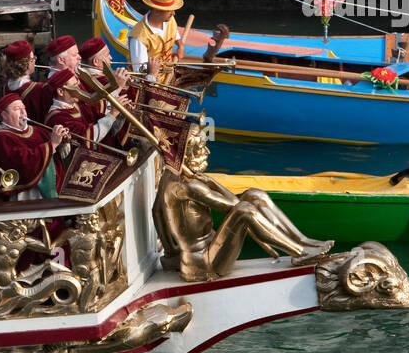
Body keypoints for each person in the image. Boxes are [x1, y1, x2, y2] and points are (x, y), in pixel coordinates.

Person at [153, 130, 333, 282]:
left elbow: (157, 213)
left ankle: (302, 240)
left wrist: (171, 254)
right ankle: (299, 252)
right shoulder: (189, 187)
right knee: (244, 211)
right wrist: (212, 183)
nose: (206, 151)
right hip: (204, 264)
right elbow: (234, 205)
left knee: (255, 195)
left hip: (203, 253)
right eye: (200, 148)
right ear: (185, 153)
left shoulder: (168, 176)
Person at [46, 68, 120, 182]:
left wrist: (120, 114)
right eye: (74, 86)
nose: (79, 89)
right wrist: (113, 114)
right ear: (60, 92)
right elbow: (88, 138)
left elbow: (97, 119)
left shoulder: (74, 104)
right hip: (78, 173)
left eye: (77, 84)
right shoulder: (57, 116)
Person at [0, 93, 66, 200]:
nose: (23, 112)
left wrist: (63, 142)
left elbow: (55, 157)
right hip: (25, 195)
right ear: (4, 115)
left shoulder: (39, 131)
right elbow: (23, 162)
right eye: (17, 109)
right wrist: (52, 144)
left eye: (23, 108)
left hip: (49, 191)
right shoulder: (1, 138)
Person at [129, 0, 183, 78]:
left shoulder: (169, 19)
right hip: (150, 82)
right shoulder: (139, 38)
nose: (174, 13)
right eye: (170, 10)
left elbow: (174, 33)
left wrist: (181, 46)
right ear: (157, 11)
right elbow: (140, 73)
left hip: (169, 75)